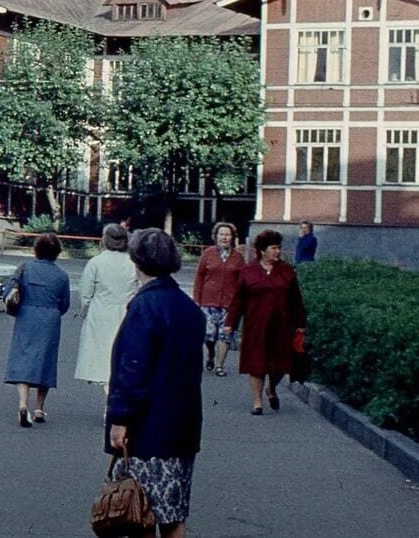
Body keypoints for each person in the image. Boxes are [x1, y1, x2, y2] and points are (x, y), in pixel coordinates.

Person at [106, 228, 205, 538]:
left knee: (141, 511)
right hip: (183, 424)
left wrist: (120, 419)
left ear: (137, 260)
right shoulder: (188, 307)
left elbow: (132, 369)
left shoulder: (145, 306)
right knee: (174, 512)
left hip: (148, 426)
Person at [224, 229, 307, 415]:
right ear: (262, 250)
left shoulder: (286, 270)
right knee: (256, 364)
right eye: (274, 248)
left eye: (279, 248)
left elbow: (296, 300)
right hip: (256, 326)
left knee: (279, 366)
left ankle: (271, 388)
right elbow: (238, 300)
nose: (278, 251)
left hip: (282, 327)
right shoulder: (248, 270)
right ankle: (257, 402)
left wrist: (301, 325)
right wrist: (231, 323)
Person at [2, 232, 71, 427]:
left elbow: (8, 291)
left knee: (23, 357)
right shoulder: (62, 275)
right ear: (57, 253)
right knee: (45, 360)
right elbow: (65, 304)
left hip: (26, 315)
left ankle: (23, 404)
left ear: (36, 250)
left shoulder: (25, 268)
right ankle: (39, 407)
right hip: (50, 317)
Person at [73, 223, 138, 395]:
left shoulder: (96, 262)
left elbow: (86, 292)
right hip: (126, 313)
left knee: (103, 359)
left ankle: (110, 401)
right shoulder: (133, 263)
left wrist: (85, 311)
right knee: (122, 357)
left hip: (101, 313)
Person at [192, 222, 247, 376]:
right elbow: (199, 277)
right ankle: (210, 354)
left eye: (227, 234)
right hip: (208, 302)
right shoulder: (208, 254)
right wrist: (196, 300)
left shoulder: (238, 258)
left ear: (232, 237)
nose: (224, 237)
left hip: (229, 304)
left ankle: (219, 365)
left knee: (225, 335)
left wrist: (240, 303)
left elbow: (243, 282)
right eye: (221, 234)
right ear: (216, 236)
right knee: (209, 335)